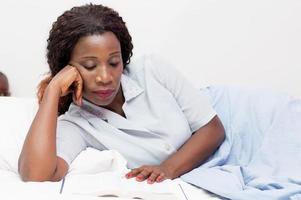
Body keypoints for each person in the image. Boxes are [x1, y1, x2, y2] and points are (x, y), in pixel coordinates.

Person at [18, 3, 225, 183]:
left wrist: (168, 169)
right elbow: (36, 175)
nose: (105, 77)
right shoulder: (76, 124)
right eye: (90, 66)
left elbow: (213, 129)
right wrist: (53, 89)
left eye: (114, 62)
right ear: (67, 70)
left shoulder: (152, 69)